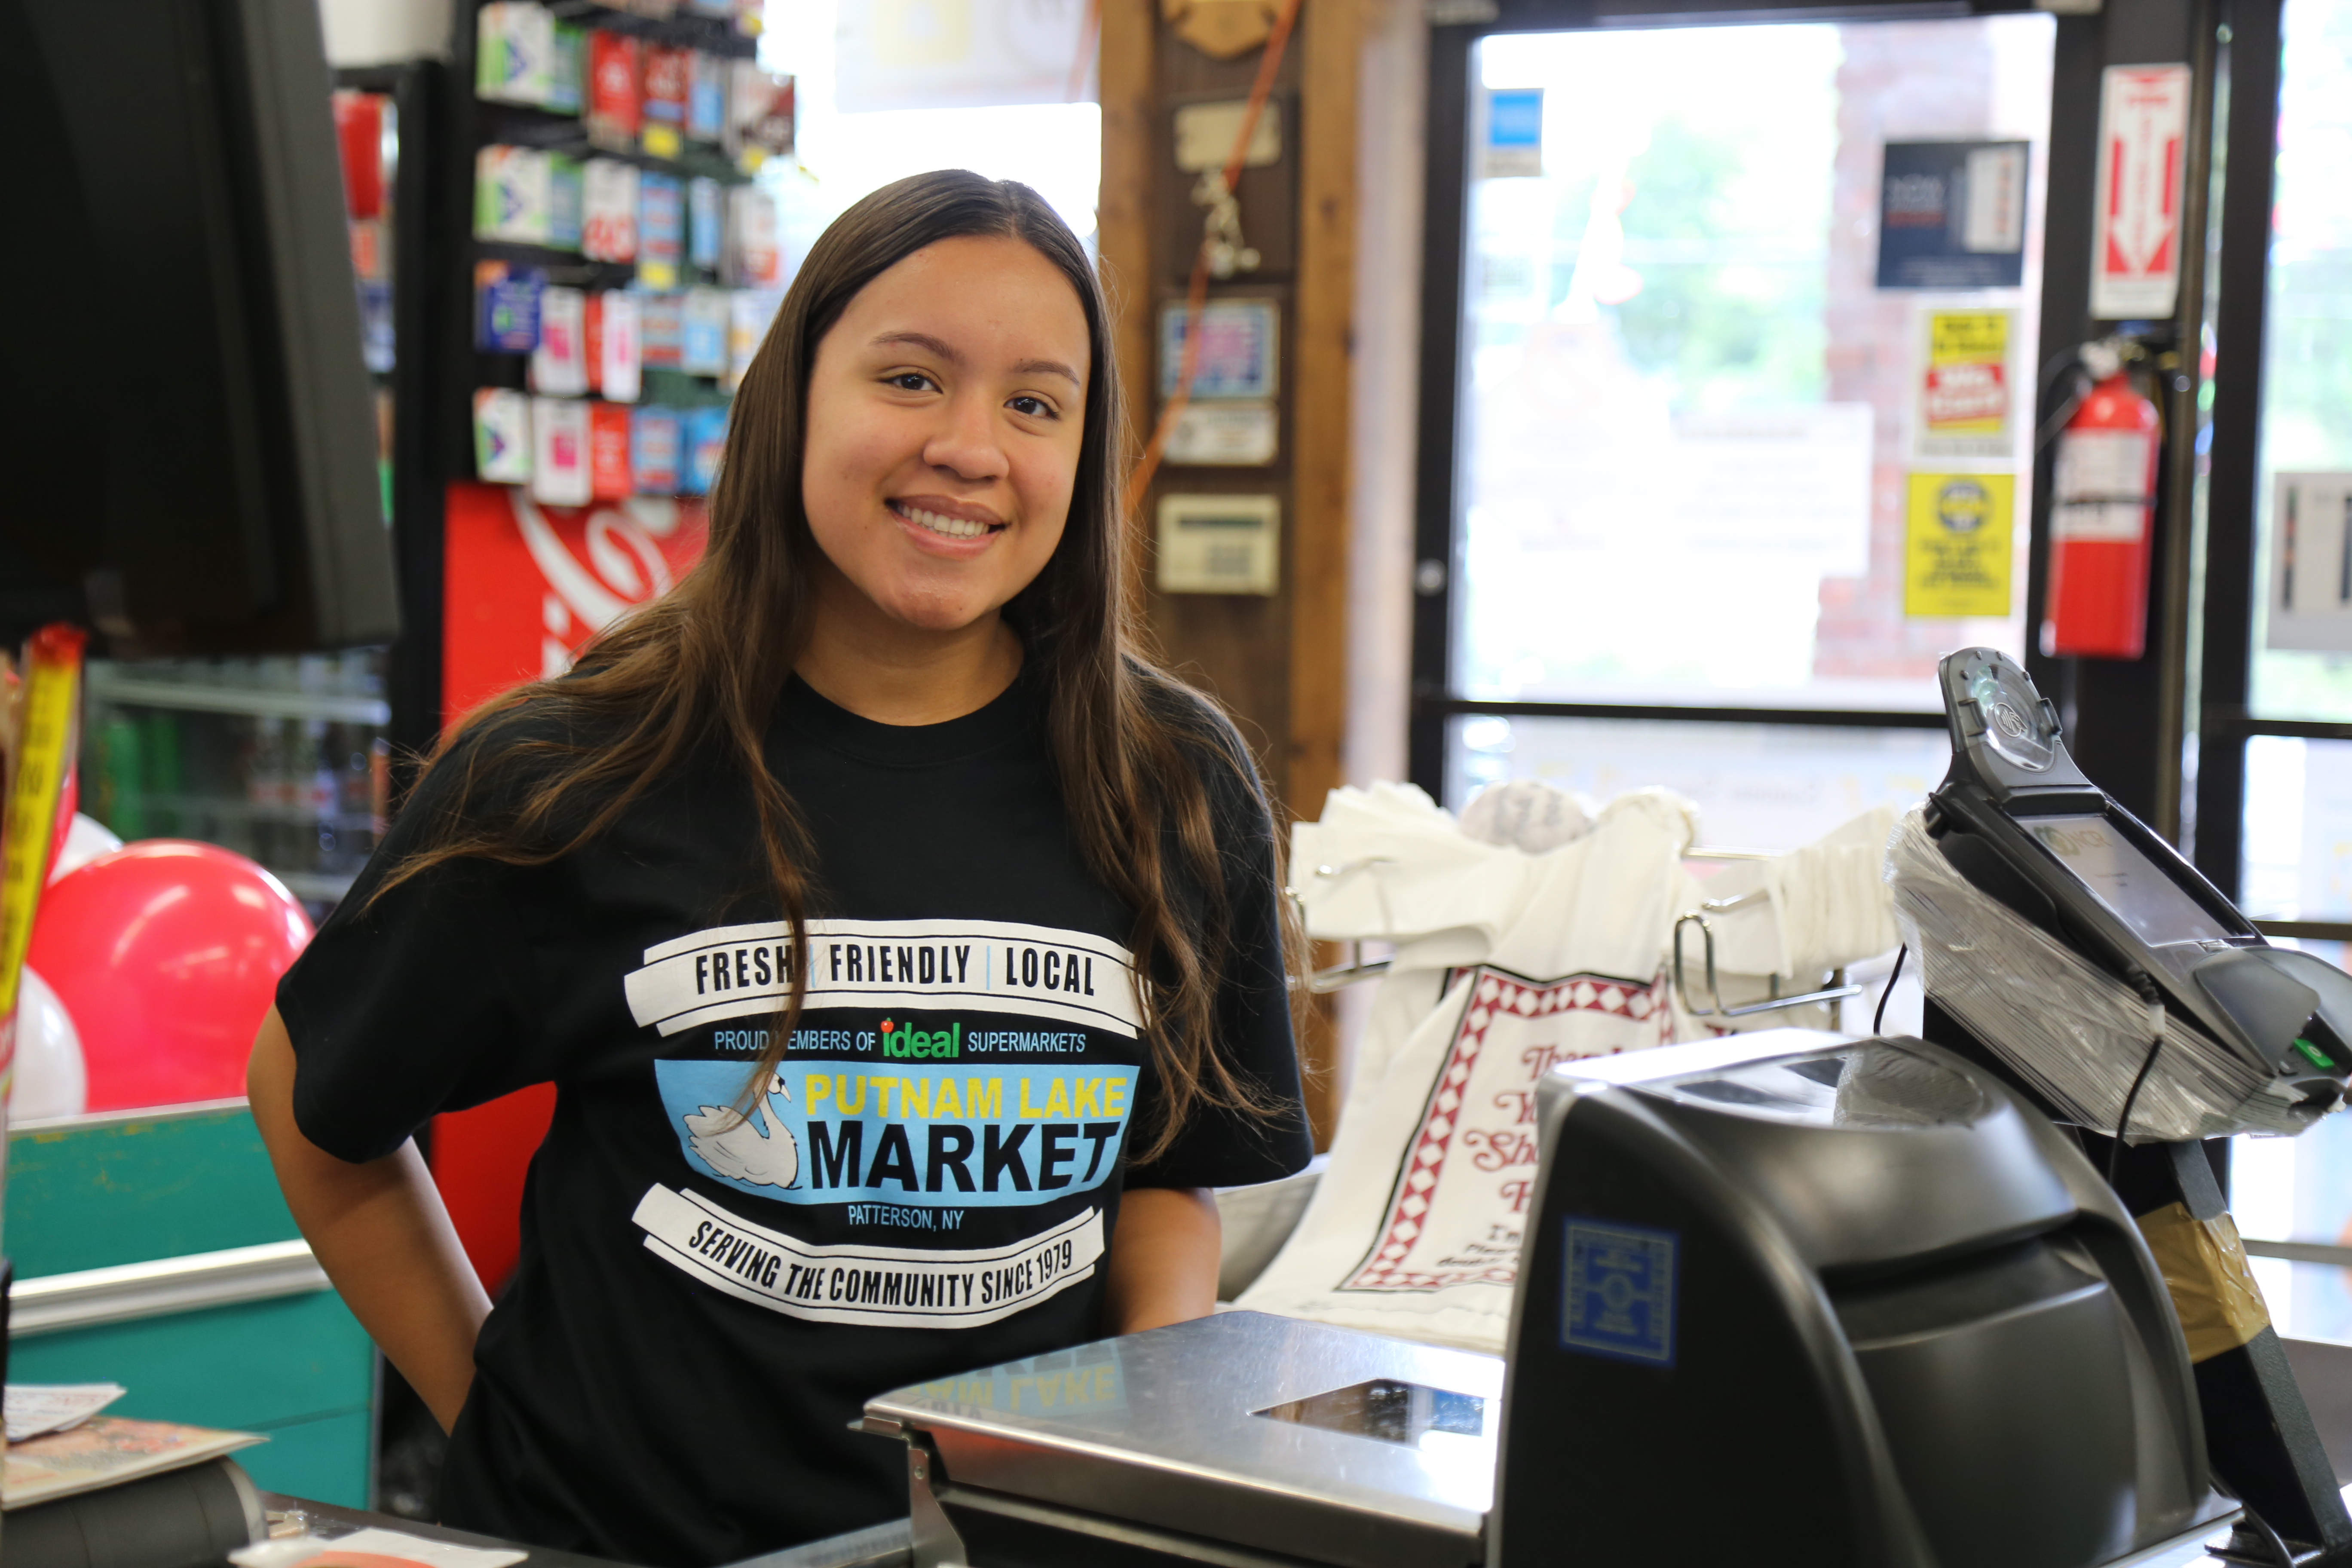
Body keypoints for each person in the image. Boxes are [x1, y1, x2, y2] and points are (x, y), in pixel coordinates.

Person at [247, 169, 1313, 1567]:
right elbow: (312, 1095)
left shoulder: (1171, 780)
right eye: (912, 377)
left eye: (1035, 403)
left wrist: (1138, 1458)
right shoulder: (578, 765)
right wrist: (490, 1410)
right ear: (792, 398)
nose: (971, 447)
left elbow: (1175, 1172)